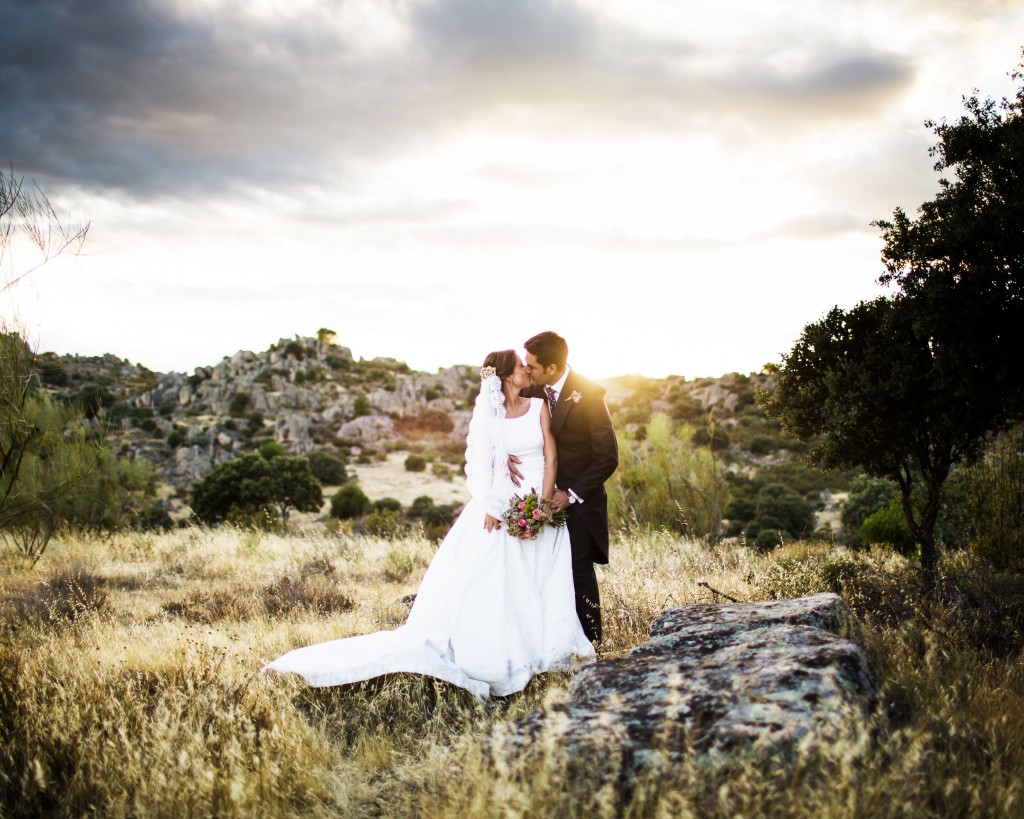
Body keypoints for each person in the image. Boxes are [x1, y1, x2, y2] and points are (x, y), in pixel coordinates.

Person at [263, 350, 594, 700]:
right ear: (508, 376)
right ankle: (505, 653)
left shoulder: (539, 406)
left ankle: (549, 648)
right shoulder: (489, 416)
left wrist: (542, 507)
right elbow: (482, 462)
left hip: (539, 497)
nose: (528, 369)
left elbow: (550, 455)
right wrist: (494, 501)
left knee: (545, 574)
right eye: (521, 366)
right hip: (505, 504)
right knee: (497, 579)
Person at [512, 331, 618, 645]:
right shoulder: (534, 388)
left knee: (578, 570)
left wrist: (569, 495)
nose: (526, 370)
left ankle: (591, 643)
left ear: (553, 369)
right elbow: (504, 416)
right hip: (537, 496)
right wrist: (503, 454)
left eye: (532, 365)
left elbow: (607, 457)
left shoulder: (589, 395)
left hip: (579, 502)